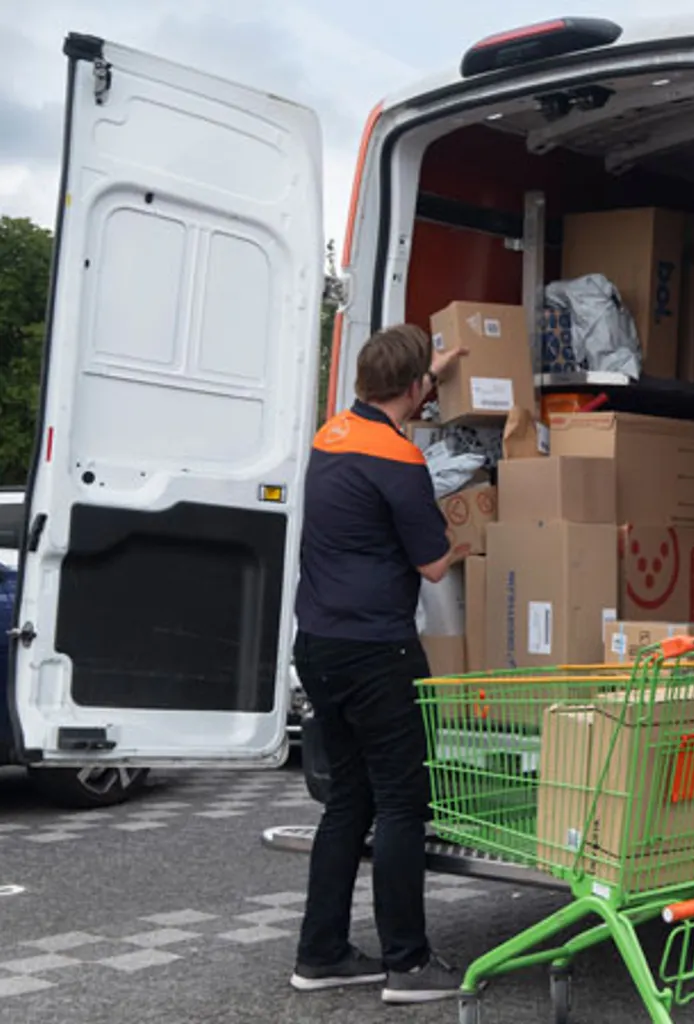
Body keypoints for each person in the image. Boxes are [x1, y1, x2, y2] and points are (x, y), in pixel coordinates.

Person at [287, 323, 468, 1004]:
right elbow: (433, 565)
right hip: (377, 650)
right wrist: (471, 540)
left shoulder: (330, 437)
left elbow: (396, 390)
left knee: (348, 800)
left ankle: (322, 953)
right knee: (400, 802)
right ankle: (409, 964)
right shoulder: (400, 459)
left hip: (319, 644)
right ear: (416, 390)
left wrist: (432, 366)